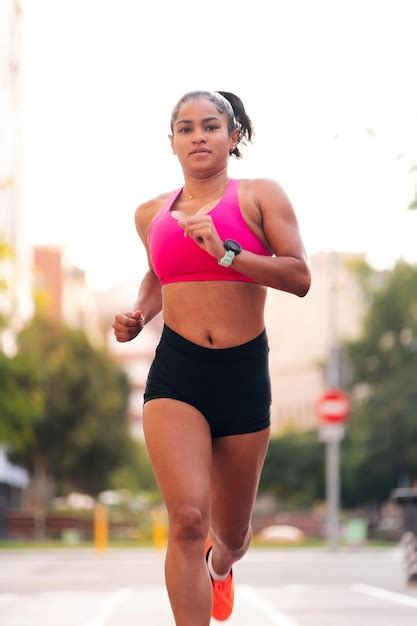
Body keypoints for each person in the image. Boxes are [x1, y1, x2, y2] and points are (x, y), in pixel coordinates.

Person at [112, 90, 311, 626]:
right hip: (178, 373)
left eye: (210, 126)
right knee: (187, 518)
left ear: (233, 136)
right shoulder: (151, 213)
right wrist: (137, 315)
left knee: (231, 537)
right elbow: (158, 275)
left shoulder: (260, 196)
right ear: (172, 142)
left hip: (243, 375)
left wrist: (228, 251)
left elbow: (299, 277)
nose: (198, 136)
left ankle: (220, 569)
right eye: (186, 128)